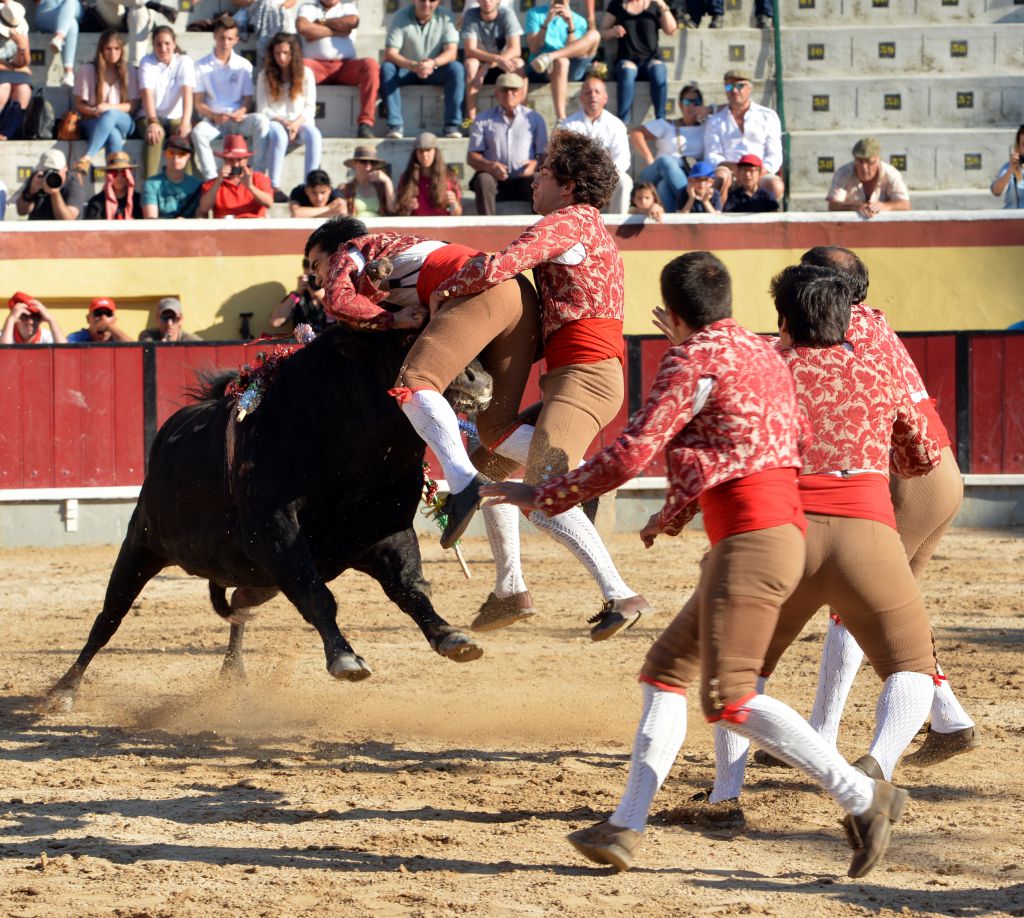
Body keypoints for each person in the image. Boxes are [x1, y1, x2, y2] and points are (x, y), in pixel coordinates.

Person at [486, 254, 918, 879]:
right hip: (769, 531)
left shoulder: (694, 358)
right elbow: (773, 436)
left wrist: (544, 494)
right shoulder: (759, 351)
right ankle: (625, 827)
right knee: (665, 671)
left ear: (673, 313)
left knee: (731, 696)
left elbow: (633, 453)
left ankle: (862, 795)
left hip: (750, 539)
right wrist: (685, 499)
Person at [750, 246, 977, 772]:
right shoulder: (872, 322)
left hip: (909, 482)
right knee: (893, 617)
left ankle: (823, 734)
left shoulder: (848, 325)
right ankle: (949, 718)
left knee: (856, 604)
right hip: (934, 472)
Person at [428, 131, 650, 639]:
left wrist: (446, 287)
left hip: (585, 375)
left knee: (545, 492)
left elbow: (501, 266)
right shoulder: (589, 228)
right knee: (489, 453)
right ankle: (510, 589)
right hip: (582, 370)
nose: (535, 179)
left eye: (545, 172)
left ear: (569, 185)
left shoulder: (566, 222)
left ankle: (621, 593)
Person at [192, 15, 270, 181]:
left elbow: (247, 99)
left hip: (238, 121)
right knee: (198, 132)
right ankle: (212, 179)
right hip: (214, 122)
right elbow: (198, 102)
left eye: (229, 38)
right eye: (221, 38)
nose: (225, 42)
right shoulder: (200, 65)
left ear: (236, 40)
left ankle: (258, 175)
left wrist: (242, 111)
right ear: (214, 37)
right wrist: (214, 115)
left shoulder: (244, 65)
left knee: (262, 121)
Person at [295, 0, 379, 139]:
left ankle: (366, 123)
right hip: (316, 67)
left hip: (345, 66)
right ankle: (298, 122)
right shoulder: (307, 7)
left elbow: (352, 21)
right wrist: (337, 31)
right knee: (298, 66)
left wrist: (319, 23)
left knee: (370, 64)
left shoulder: (347, 7)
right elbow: (303, 27)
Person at [381, 0, 465, 139]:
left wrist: (432, 63)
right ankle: (395, 125)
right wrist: (414, 65)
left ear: (438, 1)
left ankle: (452, 125)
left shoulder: (447, 16)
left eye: (432, 0)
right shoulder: (400, 16)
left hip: (435, 69)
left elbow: (451, 52)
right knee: (387, 68)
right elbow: (390, 53)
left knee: (457, 68)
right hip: (407, 69)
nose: (426, 4)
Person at [467, 71, 547, 215]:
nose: (509, 93)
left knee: (538, 179)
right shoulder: (482, 119)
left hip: (525, 180)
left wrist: (533, 165)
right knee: (483, 179)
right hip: (495, 181)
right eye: (504, 89)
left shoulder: (535, 119)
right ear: (496, 93)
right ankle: (486, 227)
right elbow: (472, 156)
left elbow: (544, 155)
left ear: (522, 93)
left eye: (514, 89)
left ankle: (540, 230)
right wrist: (490, 166)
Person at [704, 69, 783, 207]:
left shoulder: (768, 116)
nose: (734, 91)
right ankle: (720, 219)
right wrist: (734, 168)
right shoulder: (715, 120)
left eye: (740, 86)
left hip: (758, 171)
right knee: (721, 176)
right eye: (729, 87)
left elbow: (775, 154)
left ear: (750, 88)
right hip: (730, 170)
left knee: (774, 184)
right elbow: (712, 155)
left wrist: (761, 170)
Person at [257, 32, 321, 200]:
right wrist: (283, 122)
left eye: (285, 53)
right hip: (276, 122)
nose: (281, 57)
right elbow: (263, 109)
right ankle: (273, 186)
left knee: (314, 135)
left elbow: (310, 106)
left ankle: (310, 185)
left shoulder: (306, 73)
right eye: (277, 53)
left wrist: (296, 123)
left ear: (293, 53)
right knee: (279, 136)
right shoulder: (264, 75)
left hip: (300, 121)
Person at [629, 83, 710, 213]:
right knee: (666, 161)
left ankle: (678, 221)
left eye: (696, 102)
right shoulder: (667, 125)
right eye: (687, 101)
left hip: (685, 174)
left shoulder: (706, 126)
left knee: (663, 187)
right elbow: (636, 133)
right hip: (655, 171)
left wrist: (709, 110)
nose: (691, 106)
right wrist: (649, 158)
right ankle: (691, 201)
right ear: (680, 105)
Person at [72, 30, 139, 177]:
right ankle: (114, 183)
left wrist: (109, 107)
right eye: (108, 49)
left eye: (116, 49)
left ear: (122, 50)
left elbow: (131, 106)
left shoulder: (130, 71)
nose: (113, 53)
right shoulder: (89, 70)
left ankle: (88, 157)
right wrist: (93, 111)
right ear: (101, 50)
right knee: (113, 134)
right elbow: (79, 104)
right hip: (93, 120)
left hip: (124, 121)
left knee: (110, 115)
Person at [562, 74, 632, 213]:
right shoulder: (568, 125)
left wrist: (605, 175)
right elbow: (564, 157)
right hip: (578, 177)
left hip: (608, 177)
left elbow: (622, 159)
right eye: (588, 92)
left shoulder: (616, 124)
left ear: (605, 98)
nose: (592, 95)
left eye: (597, 92)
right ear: (581, 98)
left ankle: (616, 225)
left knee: (624, 181)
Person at [523, 0, 600, 125]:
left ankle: (551, 56)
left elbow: (575, 51)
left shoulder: (579, 20)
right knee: (562, 62)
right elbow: (534, 48)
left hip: (571, 65)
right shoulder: (534, 14)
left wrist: (570, 25)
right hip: (542, 66)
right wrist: (547, 21)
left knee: (595, 34)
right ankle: (561, 119)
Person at [599, 0, 676, 124]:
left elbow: (671, 30)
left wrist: (662, 5)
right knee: (627, 71)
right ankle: (623, 121)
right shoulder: (617, 4)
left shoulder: (654, 5)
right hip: (627, 59)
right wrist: (612, 32)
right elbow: (602, 32)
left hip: (651, 59)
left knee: (659, 70)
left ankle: (661, 120)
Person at [137, 25, 195, 179]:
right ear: (153, 45)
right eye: (158, 44)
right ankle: (150, 185)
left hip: (175, 117)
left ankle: (188, 188)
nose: (163, 48)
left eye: (167, 43)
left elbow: (187, 93)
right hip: (149, 116)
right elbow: (146, 94)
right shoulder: (147, 62)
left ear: (174, 44)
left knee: (184, 137)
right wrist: (153, 121)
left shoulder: (184, 61)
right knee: (156, 134)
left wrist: (185, 122)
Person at [460, 0, 524, 123]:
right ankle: (471, 118)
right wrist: (495, 59)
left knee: (518, 64)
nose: (487, 1)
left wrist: (488, 66)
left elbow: (515, 49)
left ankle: (519, 114)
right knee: (471, 64)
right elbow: (470, 50)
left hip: (499, 63)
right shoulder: (471, 14)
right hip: (481, 64)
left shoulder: (506, 13)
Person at [827, 137, 910, 219]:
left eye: (869, 162)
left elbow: (905, 204)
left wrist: (884, 206)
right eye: (859, 161)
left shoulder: (891, 174)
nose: (864, 167)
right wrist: (855, 206)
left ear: (878, 159)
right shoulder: (843, 173)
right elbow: (833, 205)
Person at [197, 133, 274, 218]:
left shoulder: (259, 178)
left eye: (239, 160)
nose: (236, 164)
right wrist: (218, 181)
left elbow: (269, 203)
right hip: (225, 227)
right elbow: (203, 208)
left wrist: (250, 187)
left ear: (246, 160)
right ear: (224, 160)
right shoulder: (213, 183)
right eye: (231, 160)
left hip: (252, 225)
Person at [393, 131, 463, 216]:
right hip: (418, 227)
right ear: (415, 154)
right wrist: (408, 209)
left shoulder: (449, 177)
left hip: (443, 226)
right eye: (420, 151)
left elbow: (456, 214)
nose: (425, 156)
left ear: (435, 152)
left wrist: (453, 203)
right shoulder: (406, 178)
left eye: (428, 150)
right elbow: (400, 214)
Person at [142, 134, 203, 218]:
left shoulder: (197, 185)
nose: (175, 158)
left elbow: (200, 221)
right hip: (161, 230)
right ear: (164, 154)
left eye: (181, 153)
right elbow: (151, 221)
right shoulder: (151, 184)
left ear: (188, 157)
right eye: (171, 153)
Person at [15, 148, 86, 221]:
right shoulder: (37, 179)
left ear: (65, 169)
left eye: (55, 171)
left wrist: (55, 193)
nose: (51, 175)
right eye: (47, 171)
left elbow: (68, 220)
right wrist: (30, 192)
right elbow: (21, 211)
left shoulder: (73, 185)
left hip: (62, 231)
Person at [270, 257, 333, 332]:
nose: (316, 280)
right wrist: (297, 293)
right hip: (305, 343)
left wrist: (321, 297)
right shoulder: (297, 297)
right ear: (305, 273)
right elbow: (275, 322)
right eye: (313, 276)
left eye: (319, 275)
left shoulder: (334, 294)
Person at [0, 1, 31, 140]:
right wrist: (13, 68)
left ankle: (8, 133)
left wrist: (21, 48)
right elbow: (20, 67)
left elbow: (24, 62)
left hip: (10, 72)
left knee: (23, 89)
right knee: (4, 87)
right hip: (7, 73)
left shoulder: (20, 31)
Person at [34, 0, 82, 87]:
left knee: (70, 3)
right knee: (72, 23)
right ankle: (68, 72)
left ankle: (59, 38)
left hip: (73, 7)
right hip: (48, 11)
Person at [336, 145, 393, 217]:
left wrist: (387, 181)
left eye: (372, 162)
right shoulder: (344, 189)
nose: (368, 167)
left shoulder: (381, 187)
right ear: (354, 164)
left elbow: (392, 209)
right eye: (363, 161)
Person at [84, 150, 142, 219]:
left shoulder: (139, 201)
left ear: (130, 175)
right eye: (114, 173)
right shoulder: (96, 203)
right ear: (107, 175)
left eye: (124, 173)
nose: (119, 177)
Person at [2, 292, 67, 344]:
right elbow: (4, 354)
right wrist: (10, 320)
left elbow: (64, 353)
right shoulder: (5, 335)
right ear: (16, 320)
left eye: (35, 317)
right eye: (24, 316)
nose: (30, 322)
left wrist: (51, 319)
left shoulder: (46, 336)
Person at [67, 297, 133, 343]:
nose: (103, 317)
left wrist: (109, 326)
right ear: (88, 319)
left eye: (108, 313)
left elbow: (134, 349)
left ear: (114, 319)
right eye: (98, 313)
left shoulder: (119, 338)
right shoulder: (77, 337)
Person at [990, 125, 1024, 209]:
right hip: (1013, 217)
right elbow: (996, 191)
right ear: (1019, 147)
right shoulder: (1010, 166)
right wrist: (1010, 170)